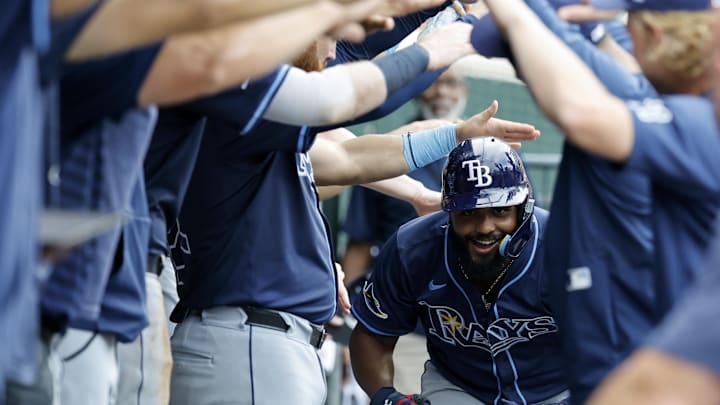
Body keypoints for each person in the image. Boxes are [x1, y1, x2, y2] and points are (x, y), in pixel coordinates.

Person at [482, 0, 720, 401]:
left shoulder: (697, 121)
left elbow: (582, 113)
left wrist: (516, 12)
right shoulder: (677, 112)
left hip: (661, 360)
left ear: (653, 35)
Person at [348, 137, 568, 405]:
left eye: (500, 210)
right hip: (459, 387)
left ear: (523, 209)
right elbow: (373, 335)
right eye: (468, 213)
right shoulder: (412, 249)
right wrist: (387, 397)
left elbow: (614, 338)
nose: (485, 227)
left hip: (558, 389)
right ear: (449, 211)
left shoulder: (564, 246)